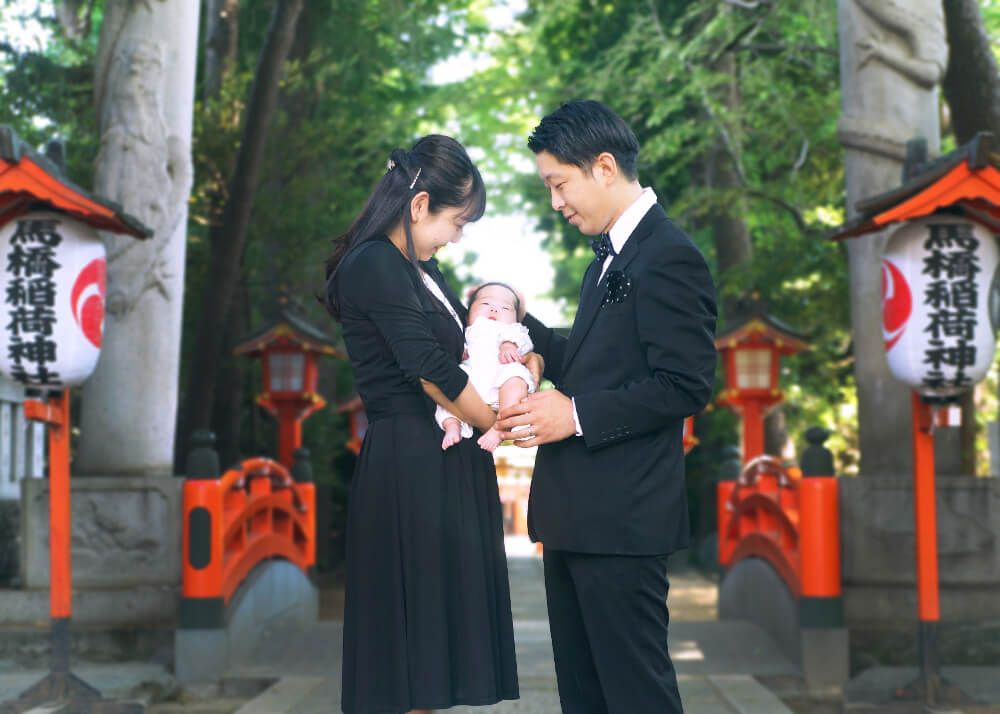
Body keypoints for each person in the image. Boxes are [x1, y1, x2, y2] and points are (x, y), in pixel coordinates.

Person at [497, 100, 718, 714]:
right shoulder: (609, 261)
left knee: (635, 695)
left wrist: (572, 415)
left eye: (558, 184)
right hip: (579, 519)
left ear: (602, 166)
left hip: (623, 522)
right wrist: (520, 326)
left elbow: (686, 383)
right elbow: (598, 361)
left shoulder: (668, 255)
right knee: (586, 698)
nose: (556, 202)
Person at [324, 134, 524, 714]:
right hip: (411, 462)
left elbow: (480, 344)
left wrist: (527, 362)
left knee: (431, 651)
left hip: (443, 457)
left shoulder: (419, 267)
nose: (456, 236)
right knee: (410, 648)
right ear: (418, 207)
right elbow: (430, 369)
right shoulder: (375, 264)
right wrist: (498, 423)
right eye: (456, 223)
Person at [435, 282, 536, 453]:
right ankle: (452, 425)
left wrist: (509, 345)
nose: (494, 310)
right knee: (448, 383)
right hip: (471, 387)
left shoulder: (511, 330)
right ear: (467, 315)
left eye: (505, 308)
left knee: (516, 376)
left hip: (501, 386)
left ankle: (499, 427)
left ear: (516, 319)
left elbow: (523, 340)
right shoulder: (466, 331)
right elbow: (453, 343)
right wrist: (459, 349)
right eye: (485, 304)